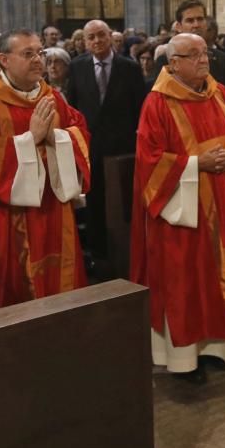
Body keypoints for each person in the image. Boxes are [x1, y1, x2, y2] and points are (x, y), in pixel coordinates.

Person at [131, 33, 225, 383]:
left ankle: (223, 348)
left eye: (205, 54)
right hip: (181, 213)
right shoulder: (157, 104)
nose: (204, 60)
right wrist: (195, 165)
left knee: (221, 274)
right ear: (173, 63)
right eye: (194, 55)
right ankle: (185, 358)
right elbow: (149, 162)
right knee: (186, 279)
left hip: (223, 201)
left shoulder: (221, 94)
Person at [0, 29, 90, 313]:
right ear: (3, 59)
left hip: (53, 209)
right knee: (12, 294)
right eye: (27, 54)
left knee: (59, 284)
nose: (38, 60)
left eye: (40, 53)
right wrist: (30, 139)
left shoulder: (52, 97)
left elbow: (80, 133)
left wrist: (54, 137)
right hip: (6, 216)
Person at [66, 19, 146, 266]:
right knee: (95, 201)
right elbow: (72, 108)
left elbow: (140, 109)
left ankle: (127, 253)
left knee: (123, 203)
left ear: (110, 36)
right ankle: (98, 255)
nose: (97, 41)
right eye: (91, 37)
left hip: (122, 149)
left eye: (101, 35)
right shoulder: (77, 67)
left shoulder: (129, 68)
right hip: (90, 147)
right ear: (85, 41)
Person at [153, 0, 225, 85]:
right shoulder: (166, 60)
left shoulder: (221, 59)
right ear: (179, 27)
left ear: (206, 23)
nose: (196, 25)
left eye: (200, 19)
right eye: (190, 21)